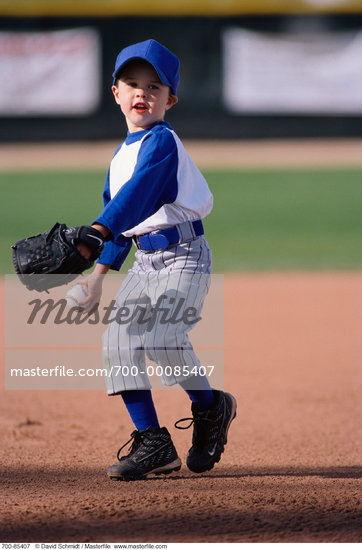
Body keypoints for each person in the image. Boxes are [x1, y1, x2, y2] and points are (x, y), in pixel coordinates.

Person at [76, 39, 236, 481]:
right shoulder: (119, 158)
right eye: (132, 83)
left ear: (171, 99)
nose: (141, 92)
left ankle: (210, 407)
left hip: (184, 255)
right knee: (118, 343)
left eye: (154, 85)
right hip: (145, 263)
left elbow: (137, 198)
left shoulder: (162, 141)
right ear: (115, 92)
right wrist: (98, 274)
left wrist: (99, 229)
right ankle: (154, 443)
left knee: (163, 338)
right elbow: (123, 217)